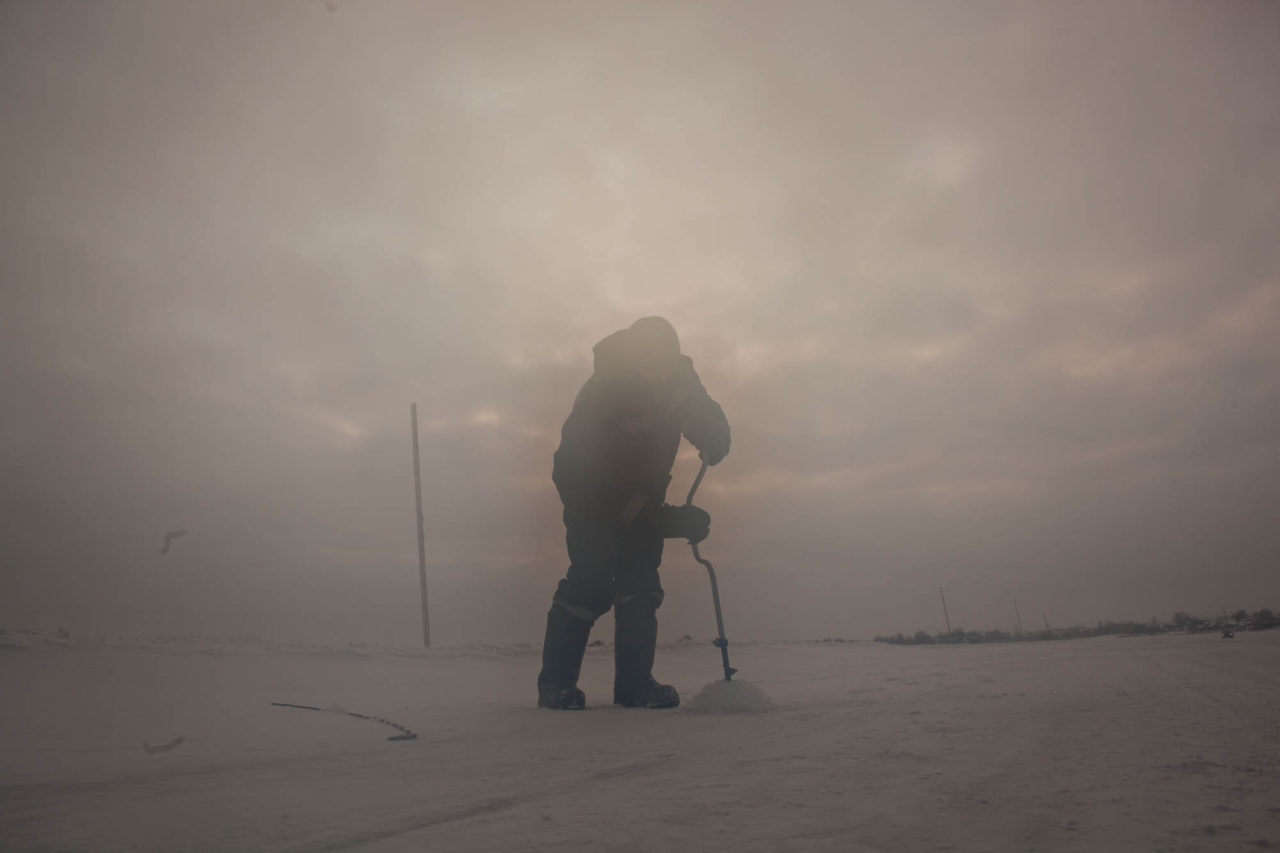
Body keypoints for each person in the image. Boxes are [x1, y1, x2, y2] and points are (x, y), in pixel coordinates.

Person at [537, 316, 731, 710]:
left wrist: (714, 436)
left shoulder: (681, 377)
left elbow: (704, 411)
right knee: (591, 581)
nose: (659, 374)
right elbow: (584, 472)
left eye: (665, 364)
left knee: (641, 584)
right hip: (589, 495)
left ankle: (635, 686)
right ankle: (556, 686)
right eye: (651, 365)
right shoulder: (604, 390)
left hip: (646, 493)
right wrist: (665, 520)